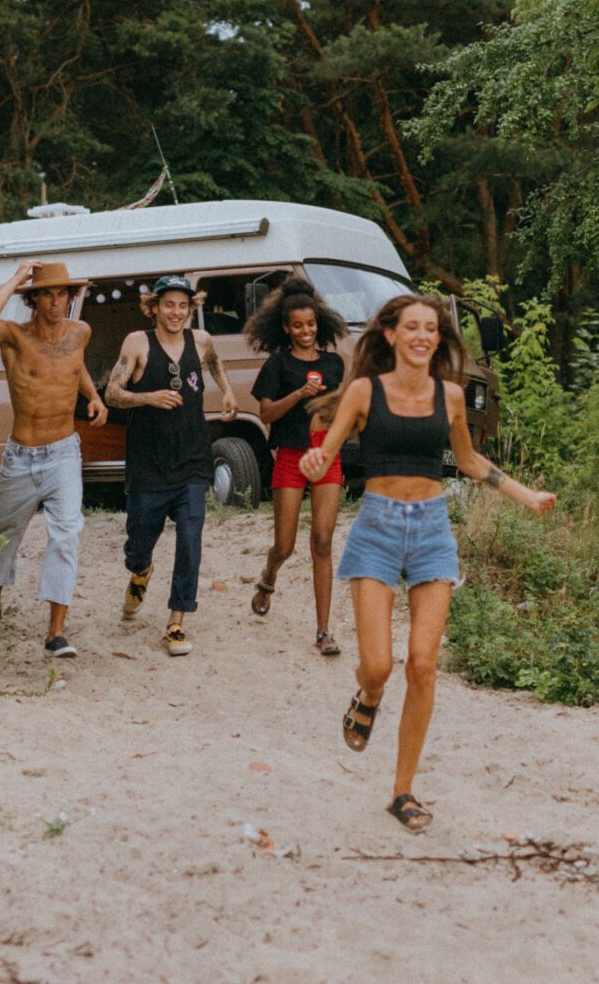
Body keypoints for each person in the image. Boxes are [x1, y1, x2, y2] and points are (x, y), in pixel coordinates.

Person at [298, 293, 554, 833]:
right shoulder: (365, 390)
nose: (422, 336)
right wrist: (315, 458)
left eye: (431, 329)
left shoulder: (453, 397)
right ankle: (367, 696)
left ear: (438, 339)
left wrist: (524, 494)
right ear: (390, 335)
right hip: (377, 529)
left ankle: (403, 791)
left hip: (433, 530)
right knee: (379, 666)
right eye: (411, 327)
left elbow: (467, 460)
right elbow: (327, 448)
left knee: (422, 663)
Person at [0, 260, 106, 659]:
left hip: (64, 451)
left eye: (62, 293)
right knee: (4, 537)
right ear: (32, 298)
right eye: (47, 293)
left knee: (66, 533)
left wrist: (93, 395)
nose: (56, 301)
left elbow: (74, 364)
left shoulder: (80, 332)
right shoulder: (13, 336)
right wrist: (15, 279)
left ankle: (56, 632)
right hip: (22, 456)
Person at [103, 274, 238, 657]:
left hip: (193, 459)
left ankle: (176, 622)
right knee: (140, 540)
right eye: (169, 305)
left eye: (183, 305)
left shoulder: (202, 340)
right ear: (155, 307)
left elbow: (214, 363)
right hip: (148, 464)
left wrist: (226, 389)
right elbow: (112, 393)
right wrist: (149, 398)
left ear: (191, 307)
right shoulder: (137, 343)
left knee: (191, 539)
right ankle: (140, 570)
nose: (177, 312)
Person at [244, 277, 349, 655]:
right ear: (285, 328)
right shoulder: (278, 364)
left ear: (319, 322)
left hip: (326, 454)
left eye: (311, 324)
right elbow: (267, 412)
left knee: (322, 541)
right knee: (285, 546)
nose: (306, 331)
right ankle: (269, 575)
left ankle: (323, 632)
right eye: (298, 326)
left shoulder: (334, 363)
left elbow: (344, 409)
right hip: (290, 454)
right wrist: (298, 394)